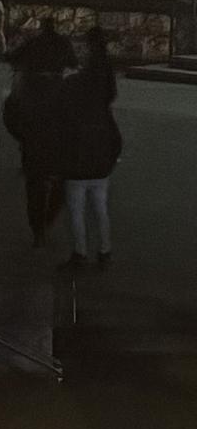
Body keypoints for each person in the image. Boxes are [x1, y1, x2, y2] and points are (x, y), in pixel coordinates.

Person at [56, 29, 120, 271]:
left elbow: (62, 132)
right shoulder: (104, 104)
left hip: (78, 163)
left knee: (76, 209)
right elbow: (116, 138)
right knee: (101, 208)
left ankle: (80, 252)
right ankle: (105, 250)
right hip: (101, 161)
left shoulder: (76, 93)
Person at [3, 47, 68, 248]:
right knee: (59, 186)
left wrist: (23, 136)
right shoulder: (64, 87)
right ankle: (46, 222)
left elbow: (11, 116)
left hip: (33, 145)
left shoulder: (24, 87)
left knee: (36, 189)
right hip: (58, 145)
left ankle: (38, 228)